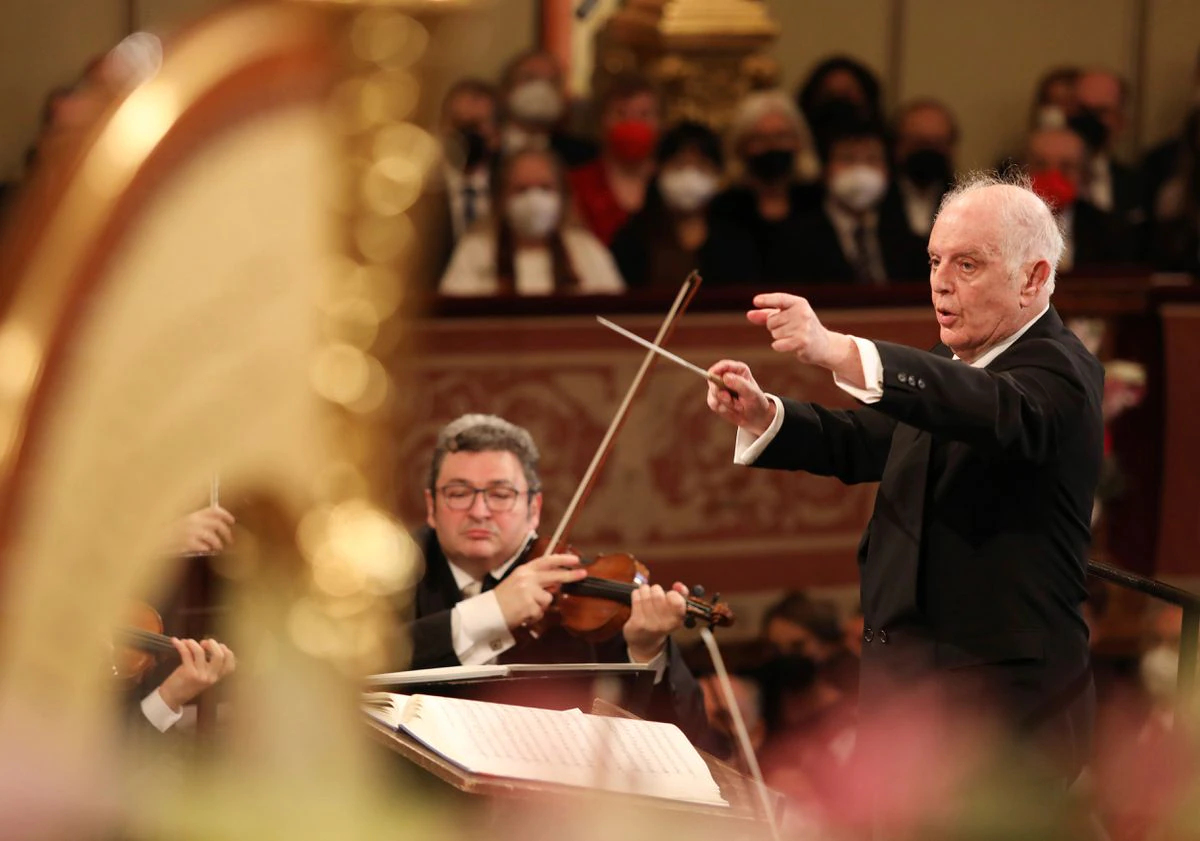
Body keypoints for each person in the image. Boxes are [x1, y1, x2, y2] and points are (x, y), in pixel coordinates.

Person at [705, 172, 1103, 782]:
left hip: (1002, 719)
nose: (941, 283)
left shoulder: (1062, 371)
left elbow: (990, 409)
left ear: (1035, 277)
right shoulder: (957, 362)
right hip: (910, 700)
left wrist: (836, 348)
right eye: (936, 260)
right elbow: (869, 442)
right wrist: (766, 414)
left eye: (968, 265)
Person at [405, 414, 708, 740]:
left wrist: (646, 652)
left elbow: (686, 736)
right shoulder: (393, 574)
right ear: (431, 506)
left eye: (501, 494)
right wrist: (493, 611)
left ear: (534, 508)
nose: (479, 511)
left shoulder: (576, 591)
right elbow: (365, 664)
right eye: (458, 492)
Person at [439, 148, 624, 296]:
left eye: (545, 188)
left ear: (562, 196)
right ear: (502, 199)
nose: (534, 199)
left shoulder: (585, 251)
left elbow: (615, 315)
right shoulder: (475, 251)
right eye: (521, 189)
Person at [794, 115, 929, 284]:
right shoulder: (795, 241)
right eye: (847, 158)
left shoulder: (909, 241)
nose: (860, 170)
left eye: (872, 159)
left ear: (888, 170)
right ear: (826, 169)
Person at [609, 120, 744, 288]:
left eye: (700, 166)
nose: (689, 176)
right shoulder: (632, 239)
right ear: (658, 169)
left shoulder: (736, 240)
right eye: (679, 165)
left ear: (717, 174)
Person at [706, 90, 821, 285]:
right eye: (759, 139)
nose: (772, 146)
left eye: (782, 136)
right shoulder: (723, 209)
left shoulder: (818, 202)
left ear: (799, 142)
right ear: (741, 146)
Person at [568, 73, 662, 246]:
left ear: (660, 123)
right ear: (601, 122)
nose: (632, 123)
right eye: (621, 114)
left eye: (644, 115)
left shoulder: (670, 185)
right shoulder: (575, 185)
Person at [1026, 126, 1135, 270]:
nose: (1052, 176)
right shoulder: (1002, 227)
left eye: (1066, 167)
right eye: (1041, 165)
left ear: (1084, 175)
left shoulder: (1110, 232)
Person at [497, 49, 597, 167]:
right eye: (529, 78)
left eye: (552, 81)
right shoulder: (483, 149)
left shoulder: (585, 156)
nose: (542, 89)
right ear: (505, 90)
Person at [889, 99, 959, 237]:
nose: (928, 152)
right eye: (919, 143)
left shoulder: (961, 203)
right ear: (898, 145)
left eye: (938, 143)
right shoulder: (875, 203)